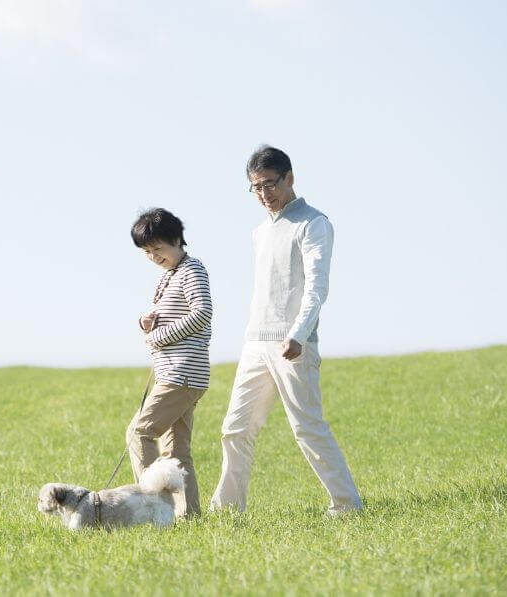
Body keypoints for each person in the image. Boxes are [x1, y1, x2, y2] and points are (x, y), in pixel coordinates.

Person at [210, 145, 363, 516]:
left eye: (269, 184)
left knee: (307, 427)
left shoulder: (314, 223)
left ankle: (347, 505)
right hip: (255, 342)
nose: (264, 194)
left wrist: (298, 333)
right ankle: (227, 510)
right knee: (235, 428)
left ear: (289, 178)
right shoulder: (260, 231)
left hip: (294, 342)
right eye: (256, 188)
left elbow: (317, 286)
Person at [127, 208, 213, 518]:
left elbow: (202, 313)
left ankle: (151, 507)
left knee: (140, 433)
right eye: (147, 252)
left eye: (158, 249)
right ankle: (188, 516)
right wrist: (145, 322)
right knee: (176, 452)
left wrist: (157, 337)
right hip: (180, 374)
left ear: (177, 240)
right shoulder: (170, 276)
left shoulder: (192, 270)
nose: (153, 256)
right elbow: (170, 316)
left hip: (182, 374)